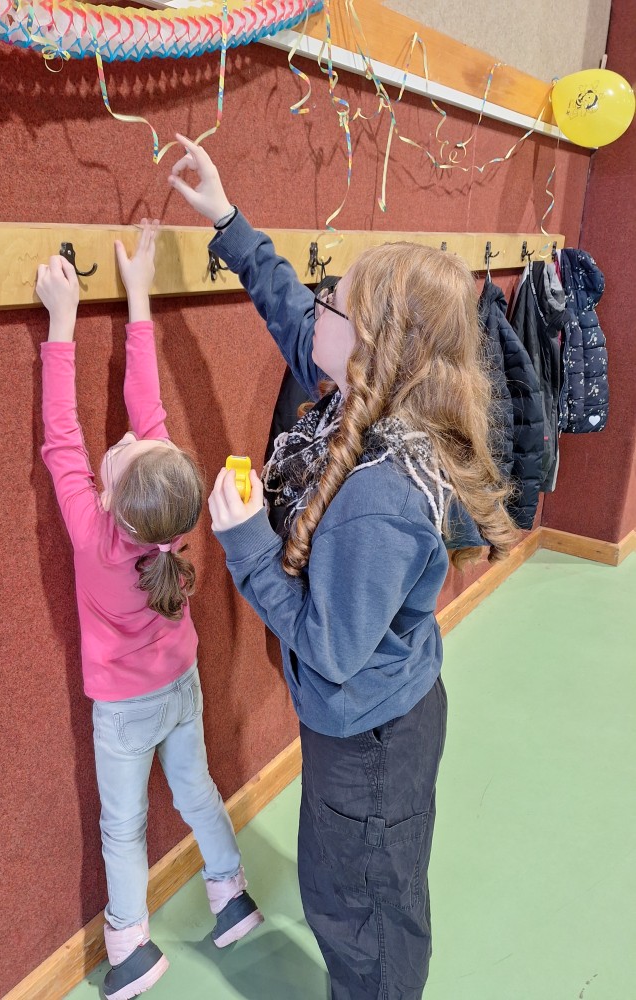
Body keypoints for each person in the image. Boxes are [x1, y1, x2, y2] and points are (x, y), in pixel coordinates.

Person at [168, 138, 517, 1000]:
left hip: (371, 742)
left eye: (333, 301)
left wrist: (247, 542)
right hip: (368, 725)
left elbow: (328, 648)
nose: (315, 306)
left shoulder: (379, 498)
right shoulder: (372, 396)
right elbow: (291, 311)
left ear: (370, 351)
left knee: (360, 911)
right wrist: (227, 218)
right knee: (355, 888)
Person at [36, 221, 262, 1000]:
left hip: (126, 712)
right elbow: (147, 406)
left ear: (111, 497)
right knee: (198, 791)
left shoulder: (96, 538)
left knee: (123, 827)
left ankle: (131, 947)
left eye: (123, 450)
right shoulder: (174, 517)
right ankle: (231, 897)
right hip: (180, 687)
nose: (132, 435)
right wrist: (137, 296)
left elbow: (62, 437)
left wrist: (62, 323)